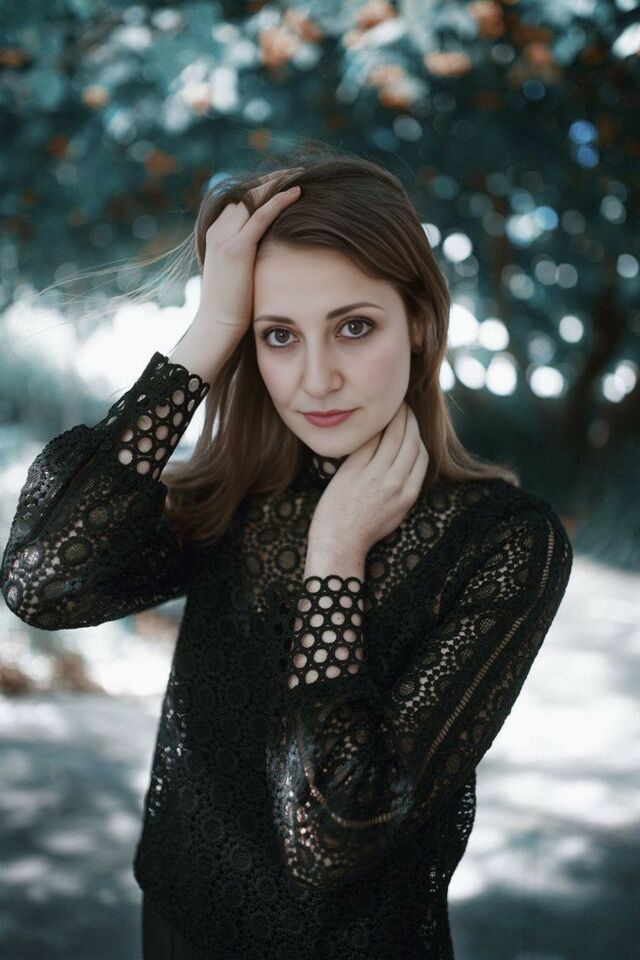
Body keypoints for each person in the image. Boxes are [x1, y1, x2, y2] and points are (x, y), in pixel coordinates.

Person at [0, 151, 573, 959]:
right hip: (177, 929)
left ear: (417, 322)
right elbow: (41, 583)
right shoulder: (240, 497)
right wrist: (209, 332)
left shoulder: (506, 542)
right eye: (278, 335)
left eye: (354, 326)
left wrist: (335, 554)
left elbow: (329, 835)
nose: (317, 379)